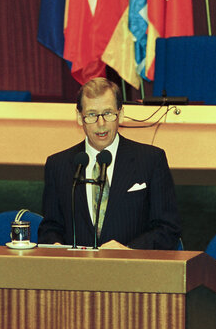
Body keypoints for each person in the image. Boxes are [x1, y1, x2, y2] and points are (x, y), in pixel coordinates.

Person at [38, 77, 181, 249]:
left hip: (132, 269)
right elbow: (50, 227)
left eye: (108, 113)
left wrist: (128, 251)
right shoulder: (58, 165)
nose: (101, 124)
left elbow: (167, 229)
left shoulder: (150, 160)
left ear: (120, 114)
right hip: (77, 271)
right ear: (79, 117)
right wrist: (56, 246)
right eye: (91, 115)